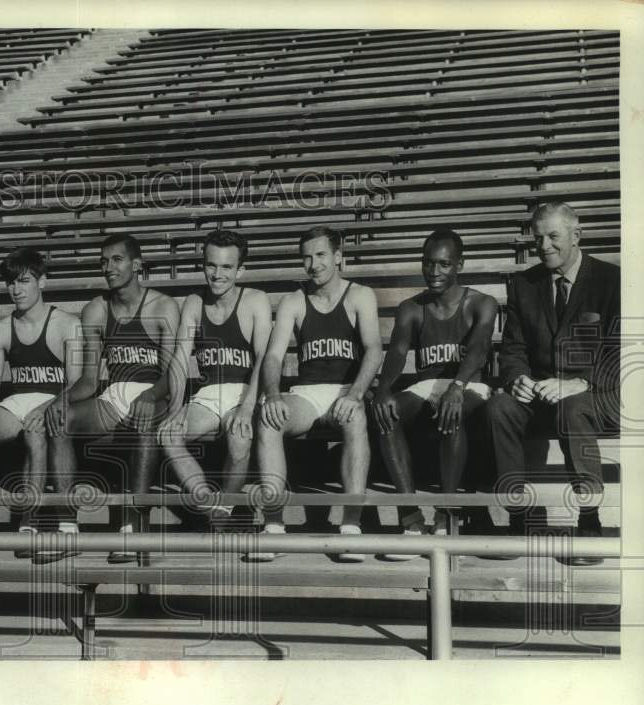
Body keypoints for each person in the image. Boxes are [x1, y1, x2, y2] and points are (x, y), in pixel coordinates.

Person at [485, 202, 620, 565]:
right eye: (538, 238)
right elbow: (512, 349)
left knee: (572, 407)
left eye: (553, 236)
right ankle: (519, 515)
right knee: (499, 407)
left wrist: (580, 382)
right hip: (543, 394)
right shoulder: (524, 284)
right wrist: (517, 379)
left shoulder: (614, 281)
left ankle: (589, 519)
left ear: (577, 236)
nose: (544, 245)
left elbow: (624, 352)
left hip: (600, 396)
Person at [45, 233, 179, 564]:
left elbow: (172, 374)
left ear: (137, 264)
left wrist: (149, 395)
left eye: (117, 260)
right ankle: (66, 528)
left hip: (155, 393)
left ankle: (133, 527)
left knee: (143, 418)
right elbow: (89, 380)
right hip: (114, 396)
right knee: (61, 419)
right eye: (103, 261)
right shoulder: (95, 310)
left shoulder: (163, 306)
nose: (108, 267)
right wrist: (61, 399)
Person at [256, 226, 383, 562]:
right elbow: (273, 356)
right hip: (308, 394)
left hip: (345, 391)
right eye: (307, 257)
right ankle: (272, 526)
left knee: (355, 417)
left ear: (338, 256)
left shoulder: (360, 295)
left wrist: (355, 394)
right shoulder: (294, 301)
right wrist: (272, 394)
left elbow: (373, 350)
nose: (313, 264)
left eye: (321, 255)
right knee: (269, 420)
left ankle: (351, 527)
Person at [370, 229, 497, 560]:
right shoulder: (411, 307)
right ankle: (410, 519)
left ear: (459, 265)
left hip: (468, 383)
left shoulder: (481, 302)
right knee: (387, 412)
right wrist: (383, 390)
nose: (435, 271)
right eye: (428, 263)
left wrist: (457, 386)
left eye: (443, 264)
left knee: (450, 410)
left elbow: (480, 348)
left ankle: (447, 515)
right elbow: (397, 352)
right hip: (428, 385)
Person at [0, 247, 82, 561]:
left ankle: (31, 522)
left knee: (35, 431)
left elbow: (77, 383)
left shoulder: (67, 324)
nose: (17, 290)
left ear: (42, 282)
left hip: (55, 401)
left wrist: (48, 406)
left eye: (24, 281)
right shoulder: (0, 330)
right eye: (12, 283)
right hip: (17, 402)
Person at [158, 229, 271, 526]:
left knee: (240, 438)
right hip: (208, 396)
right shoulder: (194, 302)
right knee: (168, 433)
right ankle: (211, 504)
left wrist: (248, 407)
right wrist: (175, 409)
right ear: (203, 265)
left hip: (245, 392)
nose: (217, 274)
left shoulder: (256, 300)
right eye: (211, 265)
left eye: (226, 267)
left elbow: (264, 359)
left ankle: (227, 509)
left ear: (240, 270)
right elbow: (180, 360)